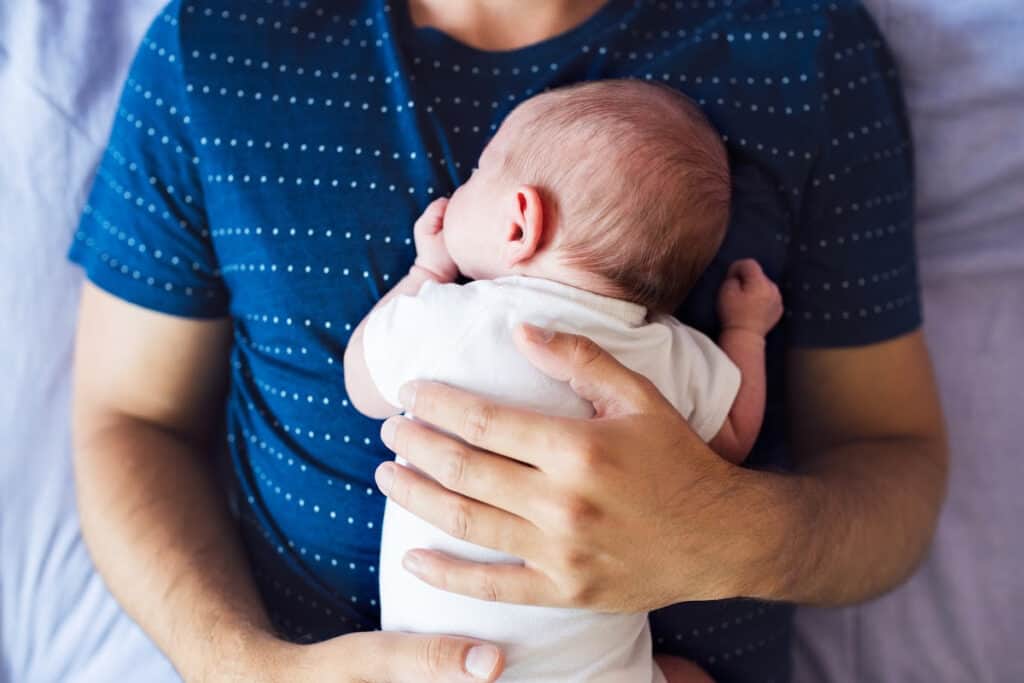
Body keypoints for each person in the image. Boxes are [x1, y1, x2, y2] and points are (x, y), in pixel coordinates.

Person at [68, 1, 948, 681]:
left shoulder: (802, 44)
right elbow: (129, 419)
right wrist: (246, 667)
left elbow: (893, 460)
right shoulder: (215, 44)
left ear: (519, 217)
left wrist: (723, 536)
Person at [344, 79, 783, 683]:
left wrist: (427, 270)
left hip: (446, 669)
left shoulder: (451, 320)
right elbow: (733, 437)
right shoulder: (668, 353)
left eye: (477, 174)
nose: (460, 189)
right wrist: (747, 331)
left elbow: (361, 382)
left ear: (519, 223)